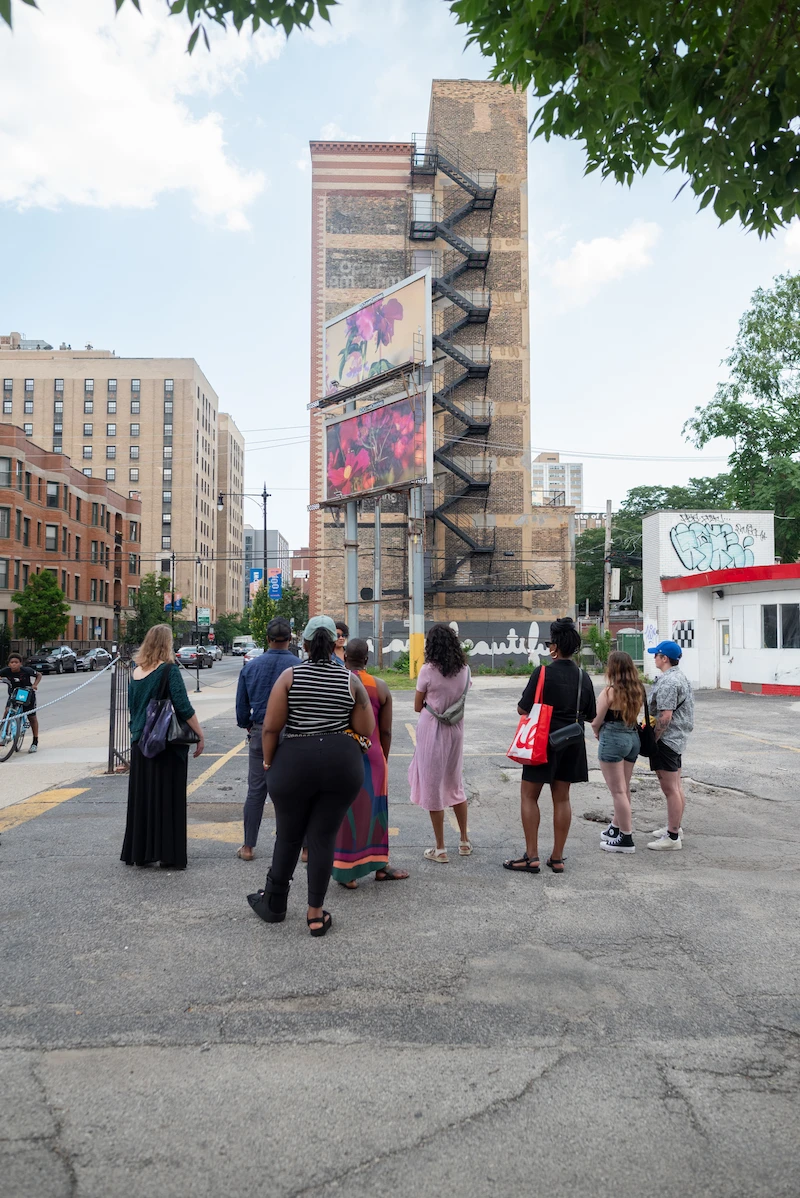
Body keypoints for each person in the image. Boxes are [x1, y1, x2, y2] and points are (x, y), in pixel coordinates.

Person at [246, 615, 375, 937]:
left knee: (288, 835)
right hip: (341, 765)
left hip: (294, 763)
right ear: (336, 643)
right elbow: (365, 729)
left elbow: (272, 727)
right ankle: (315, 914)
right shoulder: (350, 680)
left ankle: (274, 902)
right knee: (323, 837)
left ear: (302, 644)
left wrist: (269, 763)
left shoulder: (290, 676)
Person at [504, 617, 595, 875]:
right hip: (572, 742)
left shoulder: (542, 672)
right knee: (562, 798)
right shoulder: (582, 676)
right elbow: (590, 714)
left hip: (542, 741)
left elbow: (523, 708)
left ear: (554, 647)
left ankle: (531, 856)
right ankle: (557, 858)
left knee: (529, 796)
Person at [121, 624, 205, 870]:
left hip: (140, 742)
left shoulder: (136, 672)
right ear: (166, 644)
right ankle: (168, 854)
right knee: (168, 799)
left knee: (143, 799)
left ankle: (141, 852)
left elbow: (133, 708)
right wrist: (199, 734)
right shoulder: (169, 671)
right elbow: (183, 707)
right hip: (166, 744)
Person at [332, 638, 409, 888]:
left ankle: (347, 873)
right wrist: (383, 759)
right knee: (377, 811)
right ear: (367, 659)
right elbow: (385, 731)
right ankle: (380, 866)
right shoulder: (381, 686)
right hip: (374, 755)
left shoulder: (338, 683)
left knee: (345, 812)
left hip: (343, 756)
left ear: (345, 658)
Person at [235, 616, 297, 861]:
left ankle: (248, 846)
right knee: (295, 792)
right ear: (290, 639)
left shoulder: (251, 667)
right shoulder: (299, 666)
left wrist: (248, 726)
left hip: (261, 732)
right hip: (292, 733)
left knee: (256, 791)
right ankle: (302, 848)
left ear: (268, 639)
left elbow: (241, 708)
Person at [408, 623, 472, 863]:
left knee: (433, 785)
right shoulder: (465, 669)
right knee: (455, 784)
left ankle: (440, 848)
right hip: (455, 729)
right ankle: (464, 841)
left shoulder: (427, 670)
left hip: (432, 730)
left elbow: (417, 706)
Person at [591, 650, 645, 854]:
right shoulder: (638, 690)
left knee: (618, 791)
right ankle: (616, 828)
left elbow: (596, 719)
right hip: (632, 737)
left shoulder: (610, 692)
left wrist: (596, 731)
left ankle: (626, 838)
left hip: (613, 739)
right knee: (624, 788)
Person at [645, 639, 694, 851]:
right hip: (678, 739)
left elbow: (665, 716)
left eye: (656, 655)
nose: (654, 657)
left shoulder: (668, 682)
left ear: (664, 658)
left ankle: (672, 837)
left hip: (666, 740)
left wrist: (652, 740)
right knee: (676, 786)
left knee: (670, 789)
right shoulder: (680, 677)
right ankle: (676, 827)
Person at [0, 653, 42, 753]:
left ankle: (35, 742)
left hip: (27, 694)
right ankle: (5, 734)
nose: (14, 664)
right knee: (7, 712)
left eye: (16, 662)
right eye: (12, 662)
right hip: (14, 694)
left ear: (20, 663)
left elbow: (39, 675)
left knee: (32, 717)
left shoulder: (26, 670)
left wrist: (35, 685)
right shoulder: (6, 671)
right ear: (9, 664)